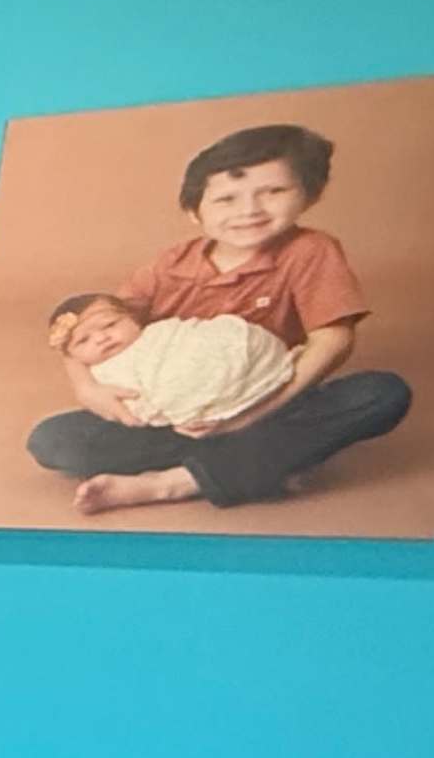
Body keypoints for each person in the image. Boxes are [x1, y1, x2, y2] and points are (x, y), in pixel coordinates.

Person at [21, 122, 412, 515]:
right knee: (53, 440)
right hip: (175, 416)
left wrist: (251, 414)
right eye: (226, 199)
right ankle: (259, 463)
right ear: (194, 211)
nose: (250, 211)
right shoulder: (170, 264)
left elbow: (333, 339)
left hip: (269, 402)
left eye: (274, 192)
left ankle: (172, 483)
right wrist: (86, 387)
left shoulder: (310, 251)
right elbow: (82, 325)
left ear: (310, 195)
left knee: (382, 394)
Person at [43, 292, 294, 433]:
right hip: (190, 421)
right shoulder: (104, 373)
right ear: (74, 356)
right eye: (83, 341)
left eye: (110, 325)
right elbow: (137, 409)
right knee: (55, 438)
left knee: (231, 340)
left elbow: (196, 337)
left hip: (258, 387)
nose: (101, 339)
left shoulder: (161, 333)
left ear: (134, 320)